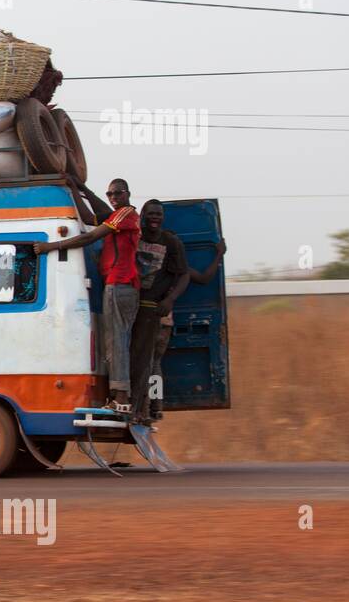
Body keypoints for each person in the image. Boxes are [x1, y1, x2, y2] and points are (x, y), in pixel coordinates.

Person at [33, 178, 140, 411]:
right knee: (114, 341)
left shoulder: (126, 215)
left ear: (128, 194)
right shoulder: (117, 216)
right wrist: (76, 188)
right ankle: (119, 395)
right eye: (110, 194)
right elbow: (91, 217)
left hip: (120, 284)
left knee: (117, 341)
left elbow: (90, 236)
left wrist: (51, 247)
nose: (113, 198)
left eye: (117, 193)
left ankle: (121, 398)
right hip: (117, 285)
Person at [149, 239, 226, 419]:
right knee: (155, 365)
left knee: (145, 365)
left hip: (149, 322)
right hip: (166, 324)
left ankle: (145, 405)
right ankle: (155, 406)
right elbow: (206, 278)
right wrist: (219, 255)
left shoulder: (152, 267)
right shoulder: (182, 271)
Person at [129, 200, 189, 423]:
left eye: (159, 214)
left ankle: (148, 408)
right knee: (140, 361)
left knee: (148, 362)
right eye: (151, 214)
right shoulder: (133, 236)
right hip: (131, 307)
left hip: (154, 311)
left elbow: (186, 275)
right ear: (142, 215)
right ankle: (150, 407)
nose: (155, 217)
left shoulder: (171, 243)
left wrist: (170, 299)